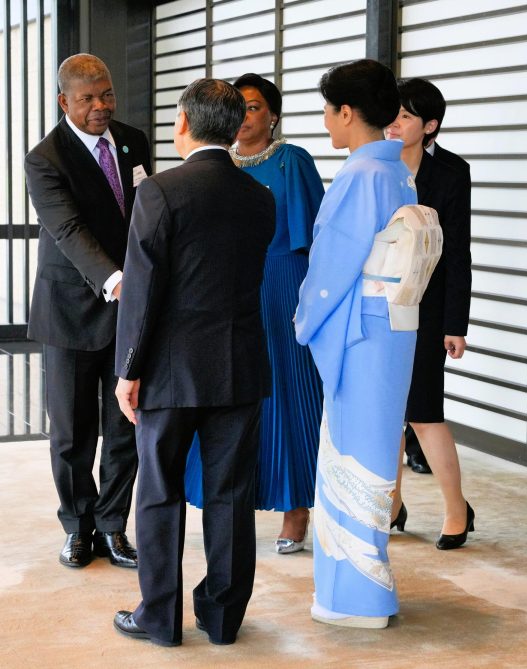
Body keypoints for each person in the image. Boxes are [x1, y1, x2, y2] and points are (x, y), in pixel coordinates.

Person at [112, 78, 275, 646]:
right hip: (240, 365)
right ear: (234, 128)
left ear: (182, 122)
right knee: (231, 494)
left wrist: (128, 370)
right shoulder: (259, 196)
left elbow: (142, 292)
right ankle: (223, 618)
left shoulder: (160, 192)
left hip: (170, 370)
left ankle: (159, 618)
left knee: (160, 492)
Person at [294, 59, 417, 629]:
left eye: (327, 110)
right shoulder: (396, 170)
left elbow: (333, 264)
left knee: (351, 449)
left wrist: (304, 318)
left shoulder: (361, 174)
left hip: (361, 331)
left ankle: (355, 597)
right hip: (392, 328)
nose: (325, 121)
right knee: (372, 445)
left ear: (346, 112)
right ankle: (366, 582)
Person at [184, 73, 324, 554]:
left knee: (287, 394)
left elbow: (316, 237)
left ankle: (296, 507)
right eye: (238, 108)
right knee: (228, 395)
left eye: (255, 107)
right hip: (226, 287)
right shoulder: (216, 162)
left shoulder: (292, 161)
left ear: (273, 115)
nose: (245, 117)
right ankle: (231, 497)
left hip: (282, 286)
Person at [24, 53, 152, 569]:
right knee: (72, 431)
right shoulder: (45, 159)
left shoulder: (133, 141)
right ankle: (77, 527)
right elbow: (68, 229)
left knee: (125, 424)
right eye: (88, 99)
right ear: (64, 101)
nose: (101, 106)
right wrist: (117, 280)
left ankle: (113, 525)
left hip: (130, 309)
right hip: (72, 308)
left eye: (107, 95)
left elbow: (145, 213)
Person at [385, 78, 474, 549]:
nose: (394, 123)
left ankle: (457, 509)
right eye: (392, 114)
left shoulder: (452, 172)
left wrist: (456, 324)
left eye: (405, 116)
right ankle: (392, 503)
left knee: (422, 411)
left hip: (429, 307)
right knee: (387, 411)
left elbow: (458, 252)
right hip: (380, 304)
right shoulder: (376, 165)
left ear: (430, 125)